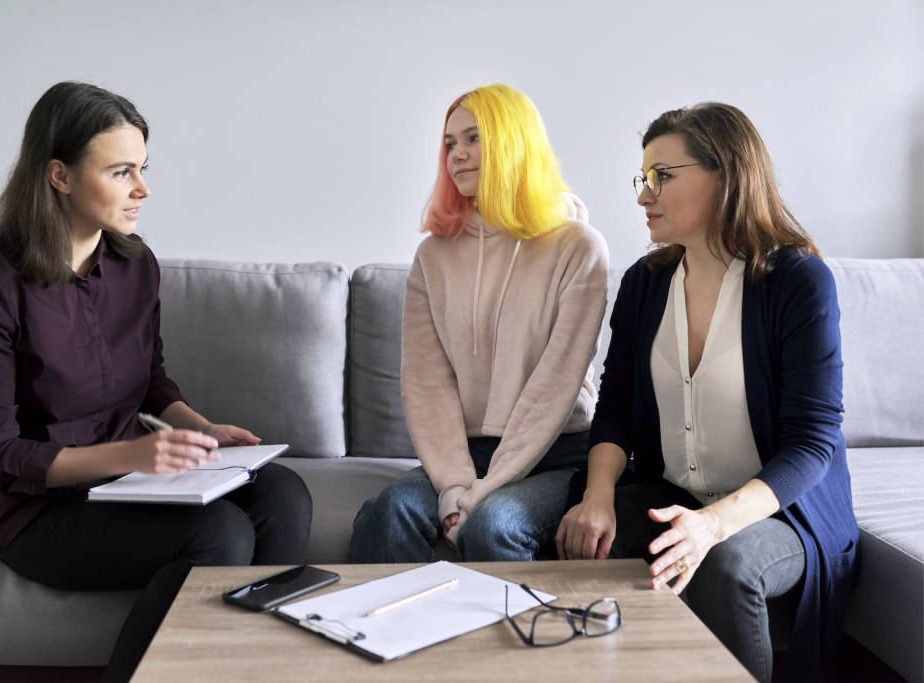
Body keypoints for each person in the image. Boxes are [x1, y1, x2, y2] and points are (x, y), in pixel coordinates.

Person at [0, 82, 312, 682]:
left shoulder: (136, 264)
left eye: (142, 169)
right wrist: (134, 453)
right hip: (36, 511)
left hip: (128, 480)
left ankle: (252, 669)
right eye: (120, 172)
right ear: (59, 176)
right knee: (216, 534)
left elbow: (150, 381)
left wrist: (200, 428)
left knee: (283, 495)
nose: (143, 189)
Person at [556, 102, 859, 682]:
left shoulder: (798, 281)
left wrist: (714, 524)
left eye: (662, 177)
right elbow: (615, 407)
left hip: (781, 512)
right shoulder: (644, 284)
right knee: (570, 532)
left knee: (726, 562)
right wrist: (596, 496)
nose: (644, 195)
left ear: (728, 175)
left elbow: (813, 445)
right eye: (642, 179)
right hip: (673, 495)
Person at [351, 84, 608, 563]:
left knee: (494, 525)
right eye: (450, 143)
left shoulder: (578, 247)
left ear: (513, 141)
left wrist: (485, 491)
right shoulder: (433, 255)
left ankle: (504, 640)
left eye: (473, 139)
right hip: (466, 452)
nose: (457, 154)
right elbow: (427, 383)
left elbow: (555, 385)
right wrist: (452, 486)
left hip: (559, 449)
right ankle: (390, 637)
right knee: (387, 513)